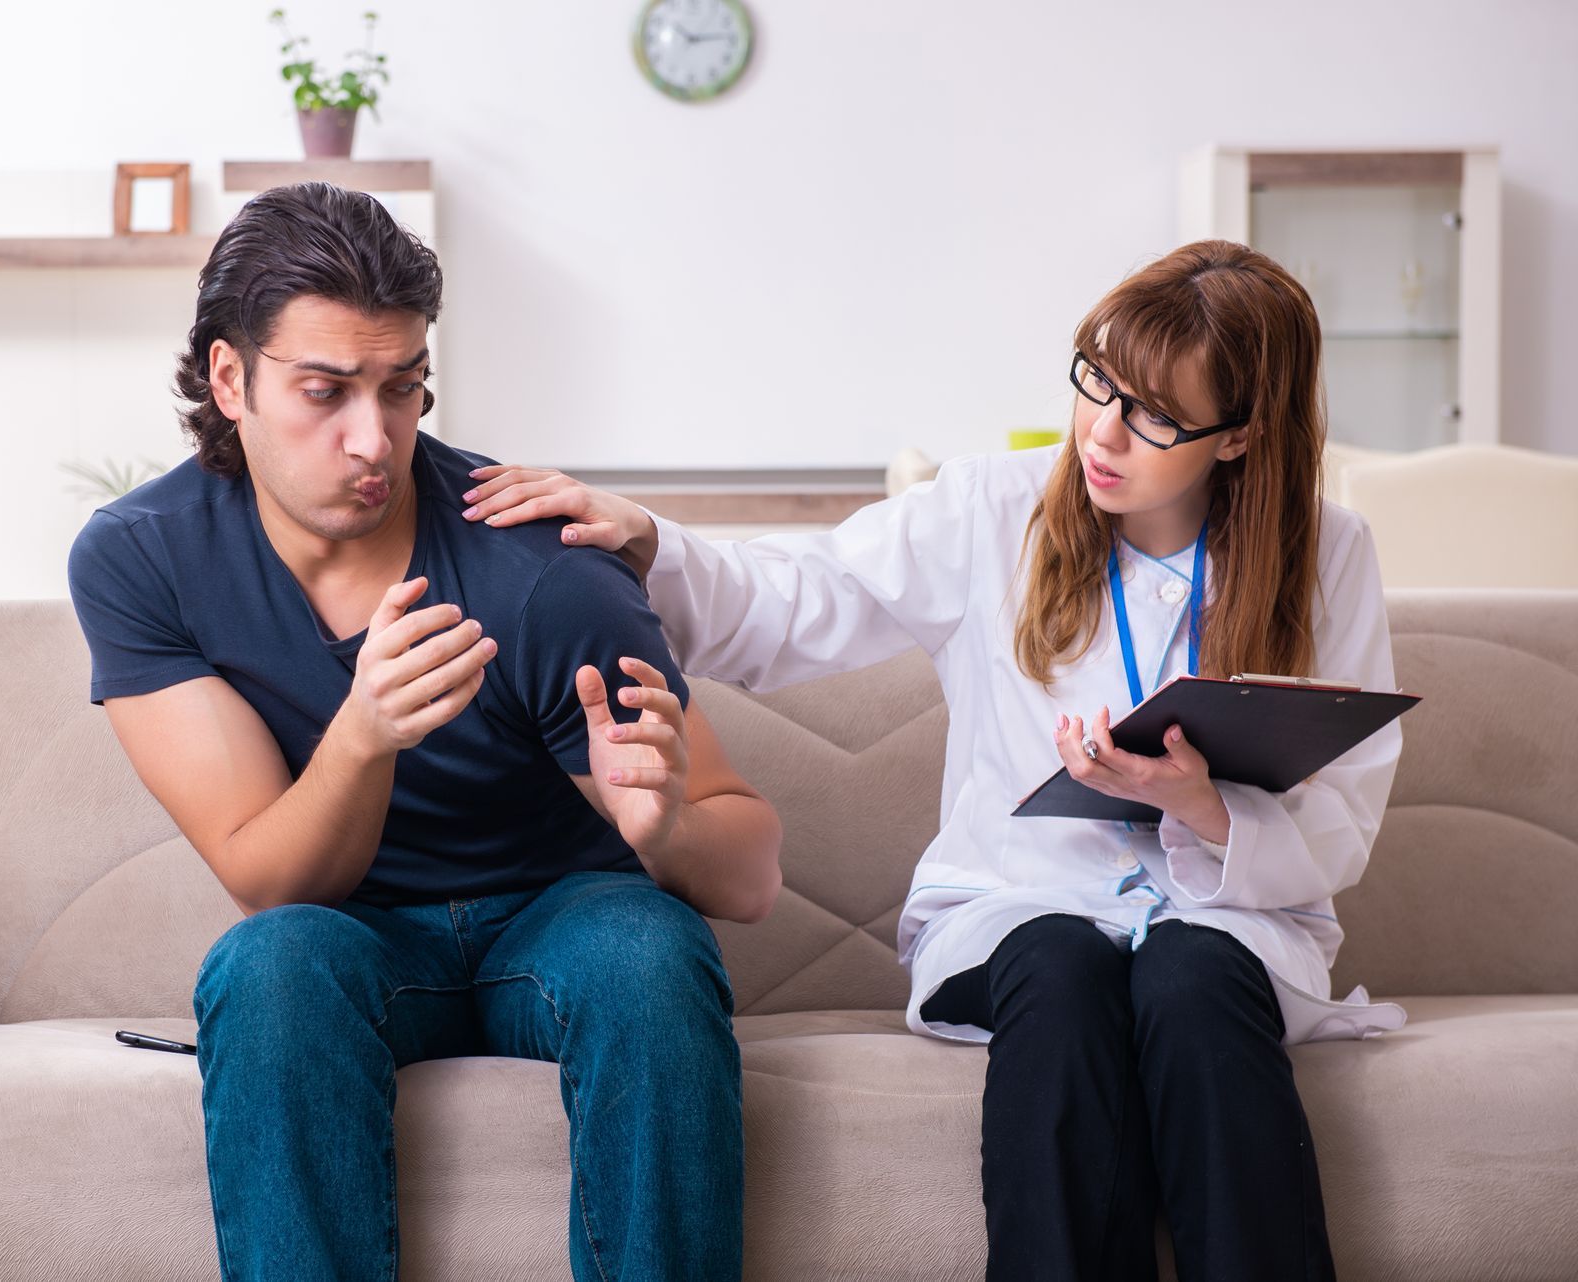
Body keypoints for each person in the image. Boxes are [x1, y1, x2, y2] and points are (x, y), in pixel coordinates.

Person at [465, 239, 1405, 1280]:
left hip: (1226, 917)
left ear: (1240, 436)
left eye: (1153, 416)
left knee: (1193, 978)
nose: (1101, 431)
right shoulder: (990, 510)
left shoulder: (1332, 554)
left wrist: (1206, 808)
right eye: (1097, 382)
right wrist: (649, 539)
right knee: (1060, 962)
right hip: (1019, 905)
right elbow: (793, 600)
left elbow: (1345, 817)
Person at [67, 181, 783, 1281]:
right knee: (268, 965)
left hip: (563, 912)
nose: (377, 438)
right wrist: (362, 735)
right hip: (351, 933)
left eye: (404, 390)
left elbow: (747, 872)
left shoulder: (538, 564)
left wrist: (668, 827)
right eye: (327, 392)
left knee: (650, 946)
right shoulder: (144, 557)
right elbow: (268, 876)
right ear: (230, 378)